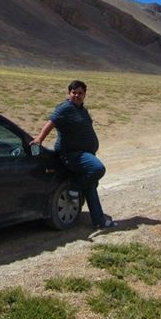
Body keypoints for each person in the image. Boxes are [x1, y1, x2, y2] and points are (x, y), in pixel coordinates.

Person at [31, 80, 117, 230]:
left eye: (80, 93)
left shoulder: (81, 109)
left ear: (85, 94)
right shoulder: (65, 108)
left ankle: (99, 221)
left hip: (84, 153)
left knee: (90, 185)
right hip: (71, 154)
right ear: (69, 93)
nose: (77, 95)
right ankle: (74, 186)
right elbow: (51, 122)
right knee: (98, 169)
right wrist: (39, 139)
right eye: (74, 92)